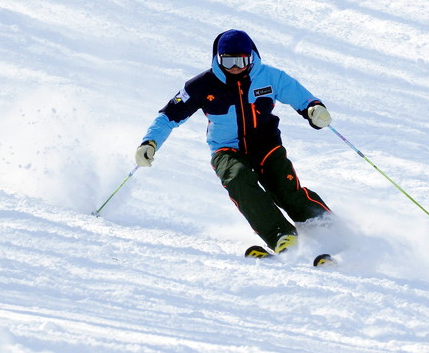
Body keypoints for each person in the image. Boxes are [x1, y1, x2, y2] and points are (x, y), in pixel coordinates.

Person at [135, 29, 333, 253]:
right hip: (226, 150)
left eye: (242, 60)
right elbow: (168, 116)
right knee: (239, 179)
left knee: (285, 188)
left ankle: (329, 229)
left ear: (251, 57)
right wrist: (150, 142)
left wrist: (314, 109)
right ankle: (281, 235)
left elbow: (301, 96)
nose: (236, 66)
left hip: (266, 144)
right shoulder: (201, 85)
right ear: (219, 59)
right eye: (229, 61)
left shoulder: (269, 76)